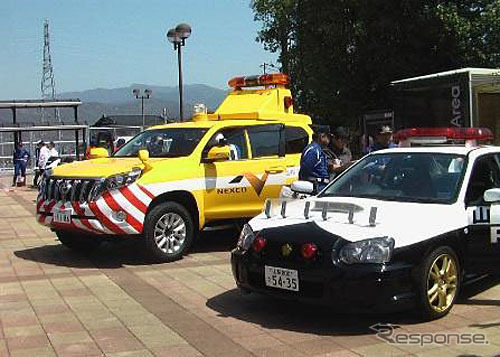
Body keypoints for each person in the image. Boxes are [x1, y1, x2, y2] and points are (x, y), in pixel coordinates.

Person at [299, 125, 331, 193]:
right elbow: (305, 171)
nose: (329, 140)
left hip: (321, 186)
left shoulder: (318, 149)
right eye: (328, 137)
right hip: (316, 187)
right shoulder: (313, 150)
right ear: (322, 136)